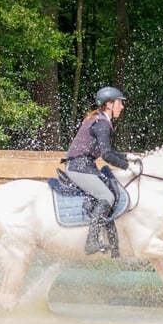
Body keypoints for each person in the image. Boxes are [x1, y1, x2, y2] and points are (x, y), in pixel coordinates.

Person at [65, 86, 139, 254]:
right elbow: (106, 155)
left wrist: (128, 157)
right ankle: (91, 241)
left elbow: (109, 152)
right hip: (79, 167)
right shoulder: (102, 123)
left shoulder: (100, 120)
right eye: (119, 103)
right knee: (106, 196)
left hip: (85, 166)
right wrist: (128, 168)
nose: (122, 107)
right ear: (109, 104)